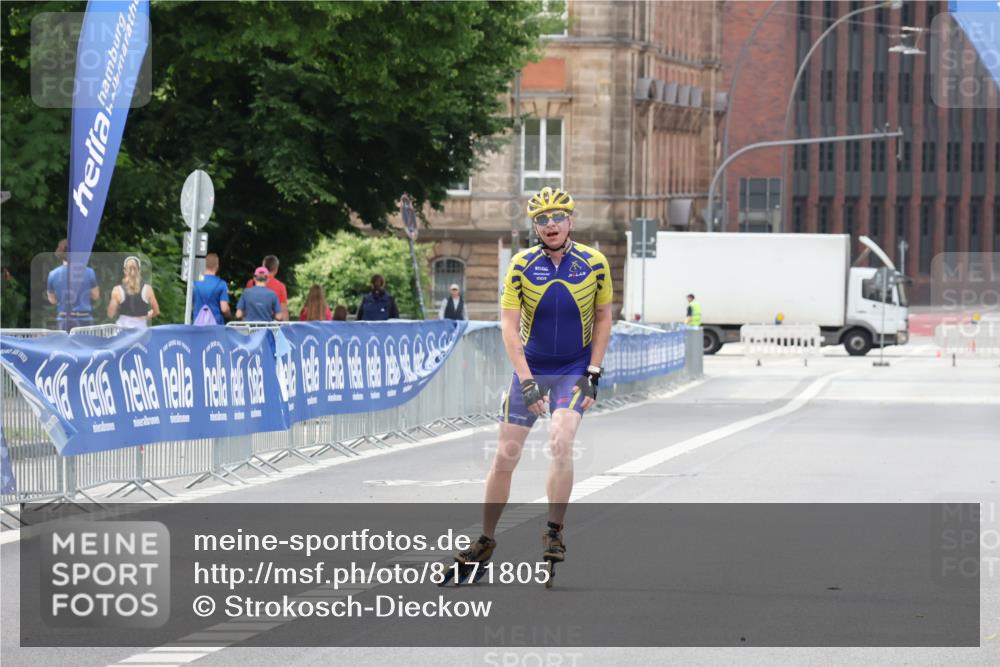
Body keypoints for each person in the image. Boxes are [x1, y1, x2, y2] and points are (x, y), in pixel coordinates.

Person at [451, 186, 613, 576]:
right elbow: (509, 326)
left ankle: (554, 531)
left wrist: (593, 372)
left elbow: (604, 317)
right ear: (535, 226)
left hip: (573, 369)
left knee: (561, 440)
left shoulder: (594, 263)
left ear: (570, 221)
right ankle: (486, 539)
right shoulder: (522, 265)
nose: (550, 224)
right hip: (533, 367)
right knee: (505, 456)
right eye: (542, 219)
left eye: (557, 217)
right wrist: (526, 381)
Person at [46, 239, 100, 331]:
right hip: (84, 319)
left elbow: (52, 300)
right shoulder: (89, 272)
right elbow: (96, 296)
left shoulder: (52, 274)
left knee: (64, 341)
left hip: (63, 319)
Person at [108, 256, 160, 328]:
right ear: (139, 270)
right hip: (140, 329)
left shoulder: (117, 290)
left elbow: (110, 314)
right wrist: (146, 316)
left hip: (122, 328)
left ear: (125, 271)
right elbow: (156, 311)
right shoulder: (148, 289)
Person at [245, 254, 288, 321]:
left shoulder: (251, 283)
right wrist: (286, 325)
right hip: (271, 324)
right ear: (276, 269)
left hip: (253, 323)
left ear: (263, 267)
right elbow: (284, 312)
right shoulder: (281, 287)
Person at [191, 253, 230, 324]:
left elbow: (190, 304)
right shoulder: (221, 284)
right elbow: (224, 309)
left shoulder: (194, 283)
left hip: (197, 325)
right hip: (216, 326)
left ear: (203, 266)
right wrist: (229, 314)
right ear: (217, 266)